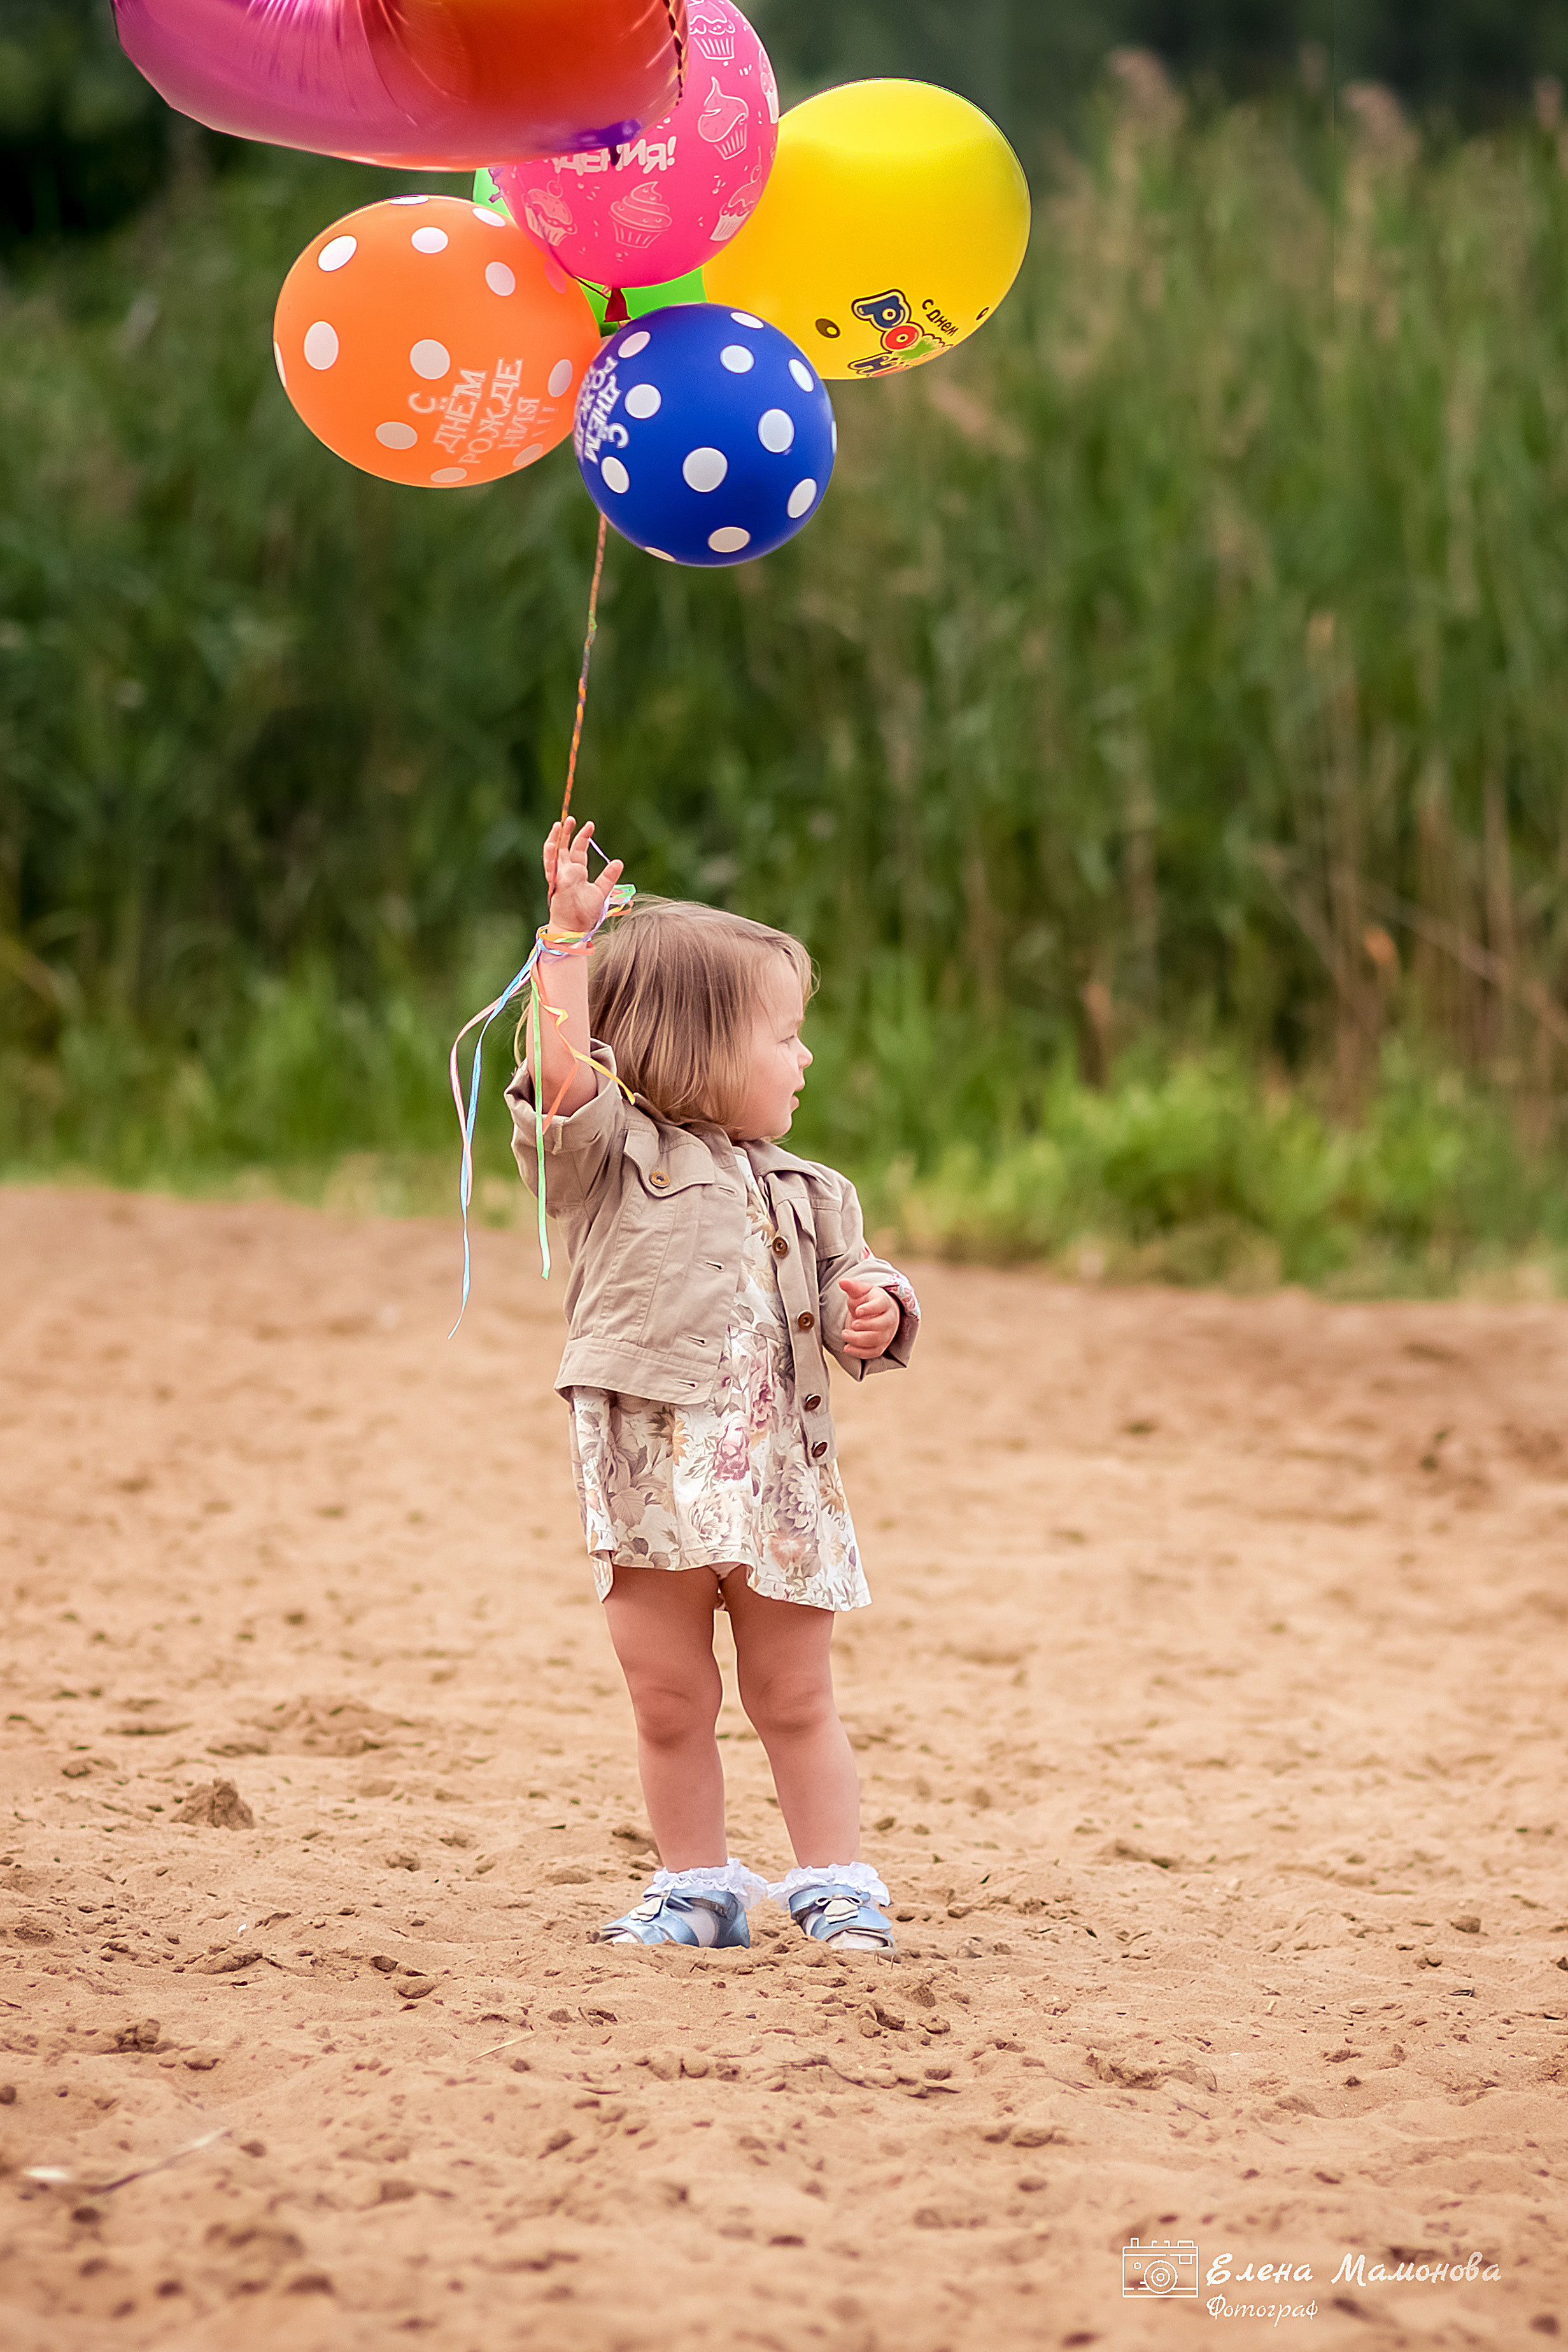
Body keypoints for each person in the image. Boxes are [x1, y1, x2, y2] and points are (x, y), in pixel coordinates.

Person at [505, 815, 920, 1954]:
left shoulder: (815, 1187)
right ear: (691, 1049)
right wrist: (567, 948)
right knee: (670, 1698)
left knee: (793, 1694)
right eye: (785, 1037)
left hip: (779, 1483)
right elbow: (561, 1077)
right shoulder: (610, 1160)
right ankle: (697, 1886)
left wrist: (870, 1306)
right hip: (647, 1483)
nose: (806, 1059)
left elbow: (854, 1286)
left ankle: (835, 1880)